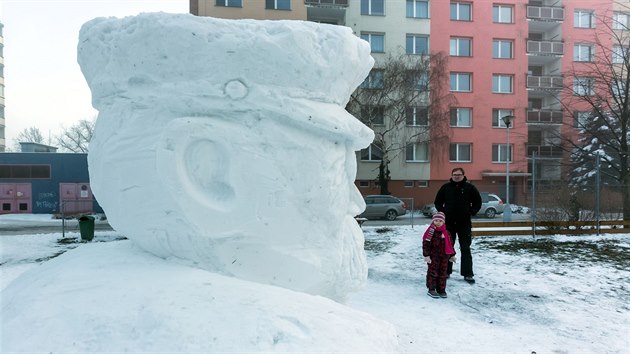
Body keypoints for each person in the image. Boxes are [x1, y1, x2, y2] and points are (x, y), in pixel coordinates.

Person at [434, 168, 482, 284]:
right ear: (451, 175)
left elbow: (478, 202)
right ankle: (446, 271)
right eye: (455, 175)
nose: (456, 176)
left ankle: (468, 274)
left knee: (465, 248)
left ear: (463, 175)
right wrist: (443, 212)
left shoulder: (469, 188)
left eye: (459, 175)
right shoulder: (446, 187)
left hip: (464, 223)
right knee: (447, 247)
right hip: (449, 223)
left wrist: (471, 212)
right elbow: (438, 202)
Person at [422, 212, 456, 298]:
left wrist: (452, 255)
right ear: (433, 221)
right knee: (433, 272)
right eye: (436, 220)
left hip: (444, 257)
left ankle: (441, 289)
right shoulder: (431, 231)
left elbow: (450, 244)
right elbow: (426, 243)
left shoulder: (446, 232)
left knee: (443, 273)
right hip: (434, 256)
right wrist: (426, 255)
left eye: (440, 221)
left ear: (443, 222)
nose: (438, 222)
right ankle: (431, 289)